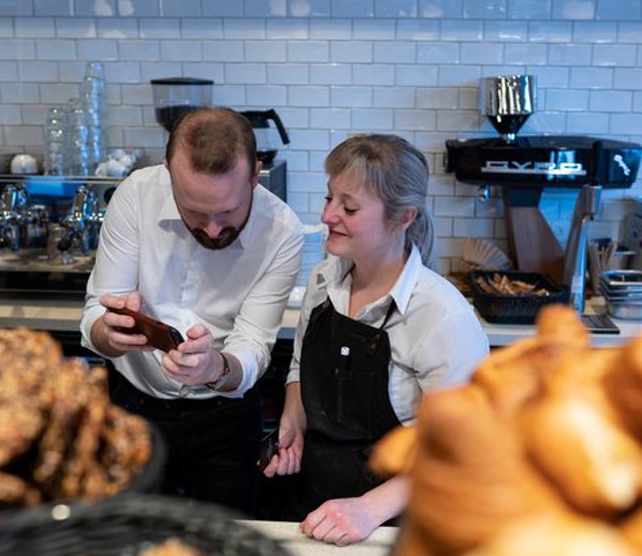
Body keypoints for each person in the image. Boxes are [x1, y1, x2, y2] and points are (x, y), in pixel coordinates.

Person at [262, 134, 489, 544]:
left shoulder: (442, 316)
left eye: (348, 207)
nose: (328, 216)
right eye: (329, 199)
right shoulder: (322, 282)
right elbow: (298, 365)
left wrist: (369, 508)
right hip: (312, 508)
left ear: (402, 218)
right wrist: (292, 420)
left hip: (399, 526)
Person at [80, 107, 304, 514]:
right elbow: (97, 312)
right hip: (135, 410)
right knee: (134, 538)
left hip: (228, 421)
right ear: (168, 173)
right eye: (196, 212)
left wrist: (214, 368)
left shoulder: (283, 232)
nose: (213, 229)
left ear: (255, 175)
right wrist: (108, 334)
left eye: (228, 211)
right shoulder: (135, 197)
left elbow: (253, 347)